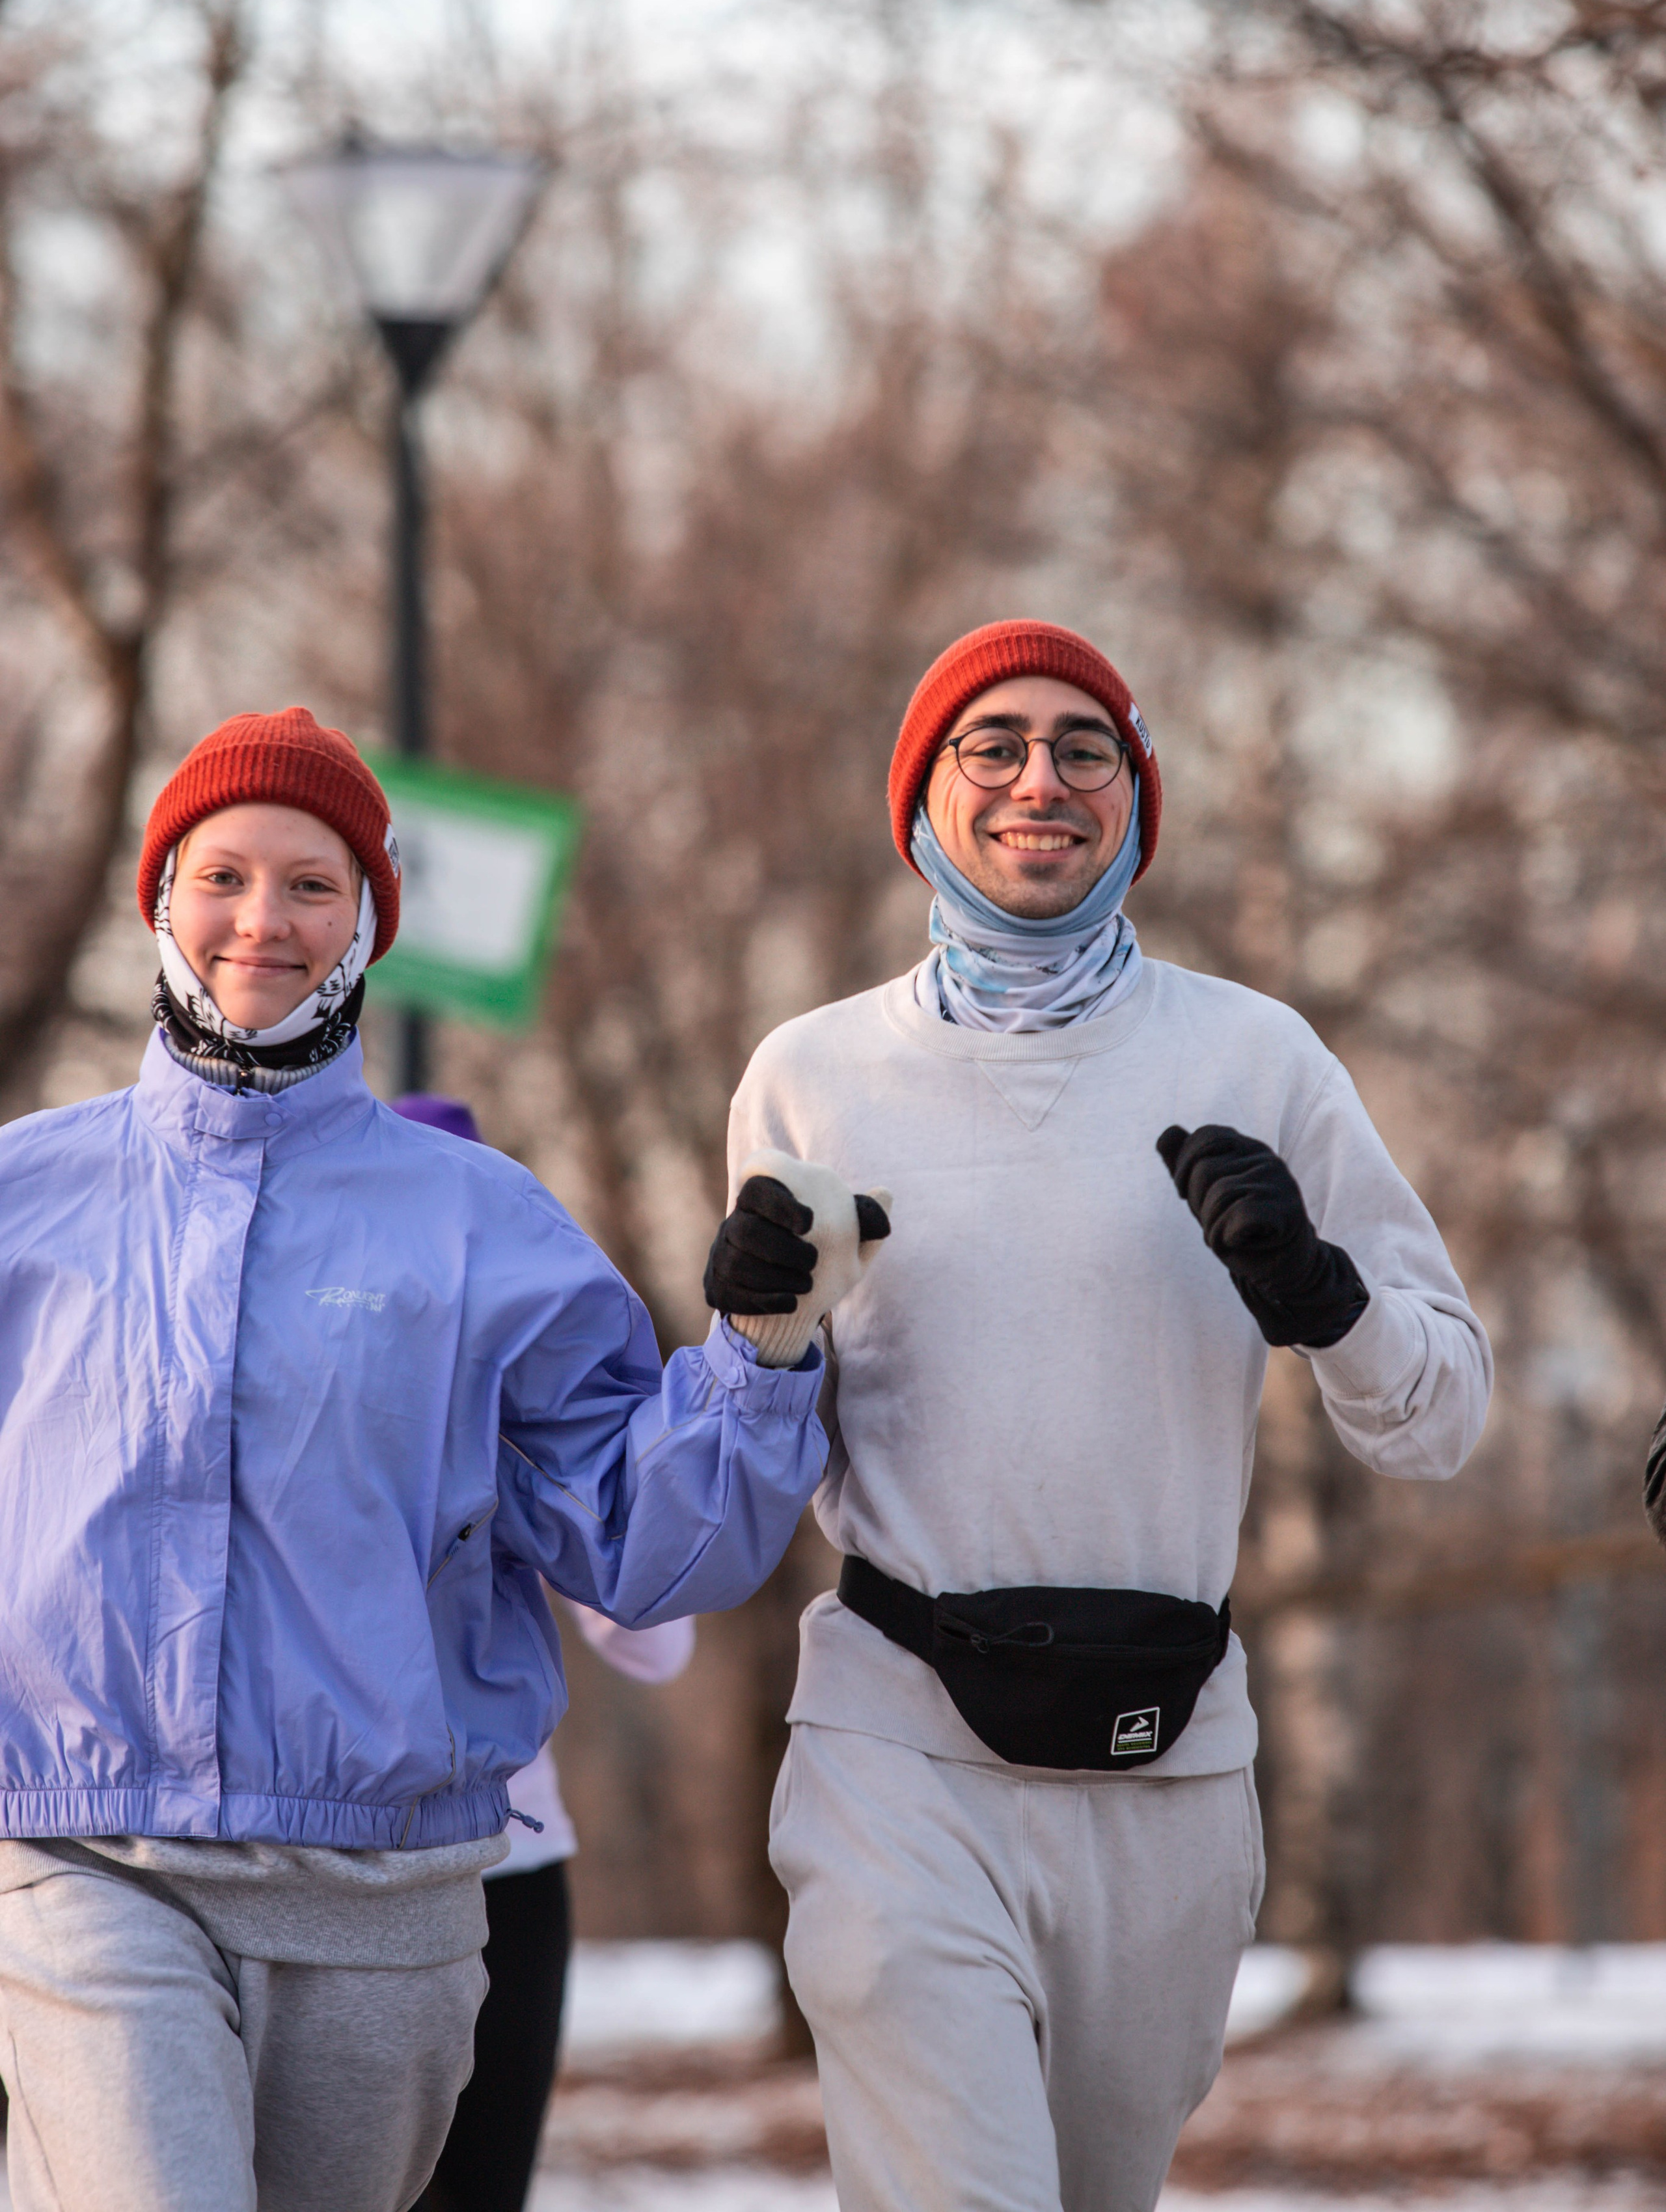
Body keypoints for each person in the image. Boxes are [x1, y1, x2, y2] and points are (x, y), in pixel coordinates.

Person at [0, 706, 886, 2212]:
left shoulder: (481, 1225)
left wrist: (756, 1355)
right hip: (84, 1859)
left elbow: (638, 1544)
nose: (259, 922)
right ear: (159, 899)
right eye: (221, 876)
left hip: (388, 1897)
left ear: (365, 926)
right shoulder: (27, 1199)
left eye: (309, 885)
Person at [717, 620, 1494, 2212]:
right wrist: (755, 1340)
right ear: (921, 798)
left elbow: (1441, 1416)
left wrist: (1323, 1297)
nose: (1036, 781)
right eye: (987, 745)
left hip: (1166, 1767)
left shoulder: (1254, 1055)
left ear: (1132, 797)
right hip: (896, 1743)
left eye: (1083, 749)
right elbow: (757, 1433)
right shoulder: (809, 1071)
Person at [392, 1095, 696, 2212]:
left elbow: (655, 1640)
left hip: (508, 1867)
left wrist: (599, 1479)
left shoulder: (523, 1414)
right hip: (325, 1867)